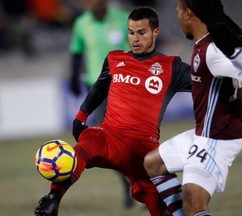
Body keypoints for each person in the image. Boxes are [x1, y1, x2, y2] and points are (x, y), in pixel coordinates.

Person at [34, 6, 192, 216]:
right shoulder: (115, 59)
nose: (135, 39)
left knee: (163, 208)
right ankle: (53, 199)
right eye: (131, 32)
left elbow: (205, 83)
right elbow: (100, 87)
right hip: (110, 136)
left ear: (155, 32)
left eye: (141, 32)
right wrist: (80, 117)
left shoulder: (172, 66)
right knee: (86, 142)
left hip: (144, 150)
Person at [144, 0, 242, 215]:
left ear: (188, 13)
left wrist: (240, 111)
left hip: (217, 139)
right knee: (153, 163)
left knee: (193, 203)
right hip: (203, 134)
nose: (178, 18)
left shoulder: (212, 51)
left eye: (178, 12)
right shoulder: (204, 45)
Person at [68, 0, 133, 207]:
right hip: (96, 91)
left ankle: (138, 185)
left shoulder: (123, 19)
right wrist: (73, 77)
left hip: (125, 87)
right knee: (105, 142)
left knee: (131, 139)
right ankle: (129, 186)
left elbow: (140, 47)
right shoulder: (81, 23)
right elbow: (76, 52)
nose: (93, 4)